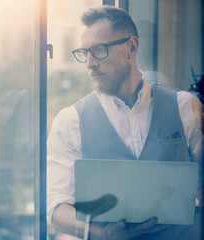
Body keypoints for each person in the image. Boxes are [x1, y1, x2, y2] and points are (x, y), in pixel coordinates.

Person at [47, 6, 203, 240]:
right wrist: (102, 233)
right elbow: (57, 208)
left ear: (131, 47)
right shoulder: (70, 121)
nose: (90, 62)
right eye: (84, 52)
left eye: (98, 50)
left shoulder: (185, 107)